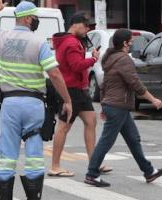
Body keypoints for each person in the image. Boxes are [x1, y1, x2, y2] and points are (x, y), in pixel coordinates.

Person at [0, 1, 73, 199]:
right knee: (34, 154)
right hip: (33, 104)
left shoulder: (1, 37)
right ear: (26, 18)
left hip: (10, 104)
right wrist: (67, 99)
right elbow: (55, 74)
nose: (36, 22)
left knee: (7, 156)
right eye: (34, 18)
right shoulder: (38, 42)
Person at [85, 29, 162, 187]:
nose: (132, 44)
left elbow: (105, 85)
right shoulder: (124, 59)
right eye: (130, 41)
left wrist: (104, 105)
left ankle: (149, 171)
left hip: (115, 106)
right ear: (124, 43)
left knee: (133, 139)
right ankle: (92, 174)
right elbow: (135, 83)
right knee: (106, 141)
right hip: (118, 106)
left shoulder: (111, 58)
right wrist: (153, 100)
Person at [49, 12, 111, 177]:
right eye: (85, 26)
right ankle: (55, 166)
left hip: (79, 90)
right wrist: (93, 59)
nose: (87, 30)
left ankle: (93, 162)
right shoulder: (71, 43)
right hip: (70, 90)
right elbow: (77, 66)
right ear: (75, 24)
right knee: (64, 127)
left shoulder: (71, 41)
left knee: (91, 120)